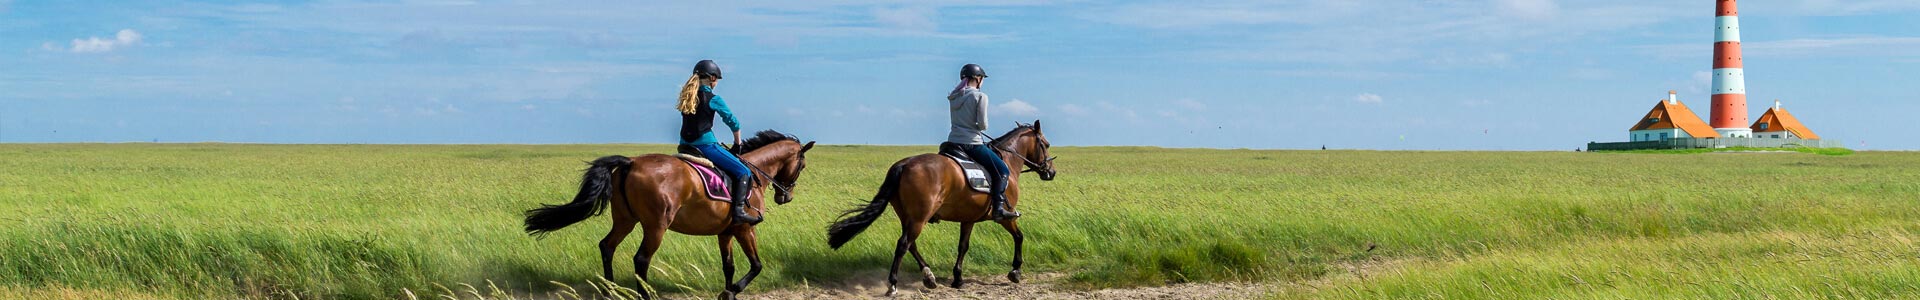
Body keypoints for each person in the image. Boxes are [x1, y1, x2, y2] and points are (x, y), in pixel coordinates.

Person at [678, 60, 759, 225]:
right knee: (743, 171)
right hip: (706, 146)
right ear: (712, 78)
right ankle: (738, 212)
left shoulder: (688, 96)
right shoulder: (713, 98)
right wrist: (738, 144)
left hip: (685, 146)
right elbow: (733, 122)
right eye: (716, 80)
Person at [946, 63, 1020, 220]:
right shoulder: (980, 97)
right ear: (978, 79)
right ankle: (998, 209)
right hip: (971, 143)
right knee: (1003, 170)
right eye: (982, 79)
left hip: (952, 142)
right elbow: (983, 125)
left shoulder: (954, 97)